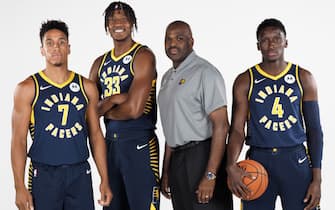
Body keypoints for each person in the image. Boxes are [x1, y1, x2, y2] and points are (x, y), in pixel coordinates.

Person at [11, 20, 112, 210]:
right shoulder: (27, 88)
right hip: (44, 175)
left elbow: (96, 135)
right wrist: (18, 185)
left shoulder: (87, 87)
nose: (55, 47)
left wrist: (104, 179)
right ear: (42, 49)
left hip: (80, 173)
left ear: (69, 47)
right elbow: (18, 140)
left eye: (61, 42)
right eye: (49, 43)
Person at [226, 18, 323, 210]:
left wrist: (317, 179)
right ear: (258, 46)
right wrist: (231, 165)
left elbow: (314, 130)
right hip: (258, 161)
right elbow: (237, 129)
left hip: (295, 160)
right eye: (264, 40)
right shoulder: (245, 80)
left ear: (286, 42)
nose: (271, 44)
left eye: (276, 39)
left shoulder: (303, 77)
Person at [89, 2, 160, 210]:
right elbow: (90, 113)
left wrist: (106, 106)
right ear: (107, 25)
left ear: (132, 23)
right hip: (110, 147)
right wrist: (116, 98)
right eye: (112, 19)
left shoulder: (143, 56)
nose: (118, 23)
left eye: (123, 19)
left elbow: (134, 109)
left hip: (139, 144)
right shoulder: (99, 63)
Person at [158, 20, 233, 210]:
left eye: (179, 38)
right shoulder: (167, 77)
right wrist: (166, 171)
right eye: (168, 39)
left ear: (191, 42)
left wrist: (210, 174)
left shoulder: (206, 73)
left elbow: (222, 126)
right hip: (177, 160)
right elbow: (171, 128)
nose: (172, 43)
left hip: (202, 157)